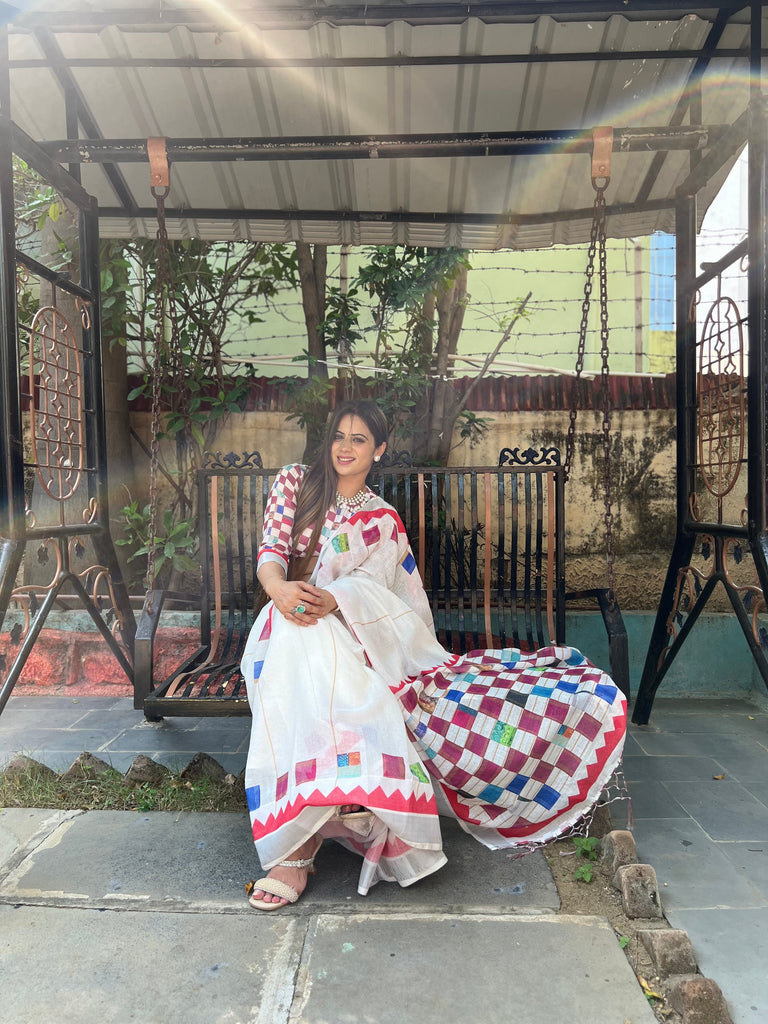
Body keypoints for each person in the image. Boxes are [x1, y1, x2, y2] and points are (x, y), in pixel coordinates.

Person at [242, 400, 626, 910]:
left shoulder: (383, 520)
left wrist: (339, 598)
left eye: (358, 440)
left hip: (355, 637)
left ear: (378, 450)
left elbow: (397, 603)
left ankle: (304, 842)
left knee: (338, 665)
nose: (344, 448)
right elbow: (271, 553)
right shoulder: (296, 482)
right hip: (283, 626)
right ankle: (303, 841)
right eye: (338, 436)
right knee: (305, 644)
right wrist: (281, 591)